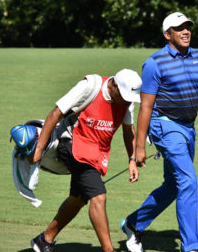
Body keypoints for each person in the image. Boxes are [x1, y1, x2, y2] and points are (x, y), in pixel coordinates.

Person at [120, 12, 198, 252]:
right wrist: (139, 148)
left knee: (174, 185)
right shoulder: (154, 63)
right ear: (167, 34)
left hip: (188, 128)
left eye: (188, 27)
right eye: (179, 28)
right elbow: (145, 107)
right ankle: (192, 247)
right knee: (188, 181)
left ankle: (134, 224)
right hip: (164, 126)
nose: (186, 31)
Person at [27, 69, 142, 252]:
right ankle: (108, 250)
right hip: (72, 144)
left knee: (79, 199)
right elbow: (55, 114)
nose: (127, 101)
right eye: (124, 96)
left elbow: (128, 130)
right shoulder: (91, 86)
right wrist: (39, 149)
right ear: (113, 86)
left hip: (96, 152)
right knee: (98, 196)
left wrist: (132, 159)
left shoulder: (127, 99)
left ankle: (44, 241)